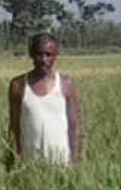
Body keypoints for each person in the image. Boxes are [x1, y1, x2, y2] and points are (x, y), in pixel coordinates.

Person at [8, 32, 82, 166]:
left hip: (62, 162)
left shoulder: (66, 84)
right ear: (31, 54)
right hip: (29, 163)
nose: (43, 59)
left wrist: (75, 159)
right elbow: (14, 127)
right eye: (39, 54)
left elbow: (74, 125)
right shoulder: (18, 85)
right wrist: (14, 158)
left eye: (49, 55)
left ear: (56, 55)